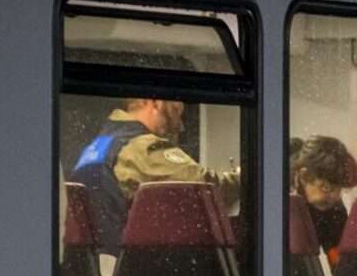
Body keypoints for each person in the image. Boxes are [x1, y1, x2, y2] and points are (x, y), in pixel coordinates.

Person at [71, 99, 239, 255]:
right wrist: (242, 177)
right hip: (121, 264)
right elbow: (205, 187)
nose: (180, 127)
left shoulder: (99, 145)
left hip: (98, 261)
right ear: (156, 103)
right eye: (175, 111)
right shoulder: (141, 146)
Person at [289, 136, 357, 270]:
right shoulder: (273, 189)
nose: (334, 196)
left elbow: (339, 259)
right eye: (327, 187)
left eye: (338, 189)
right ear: (304, 176)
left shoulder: (332, 207)